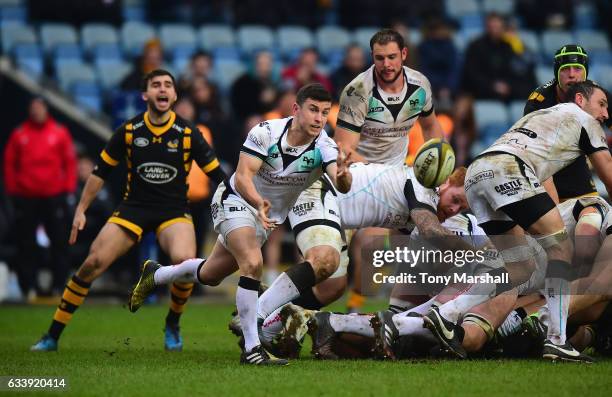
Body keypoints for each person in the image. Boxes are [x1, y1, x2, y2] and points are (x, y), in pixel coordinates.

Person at [128, 83, 353, 365]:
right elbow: (244, 176)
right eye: (313, 110)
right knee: (252, 262)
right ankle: (252, 349)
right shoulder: (266, 132)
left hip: (263, 215)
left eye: (324, 112)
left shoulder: (325, 145)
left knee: (210, 274)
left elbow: (342, 183)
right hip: (236, 201)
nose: (319, 118)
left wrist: (343, 174)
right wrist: (259, 203)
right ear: (296, 109)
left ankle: (156, 275)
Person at [30, 69, 226, 352]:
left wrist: (246, 200)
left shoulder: (187, 133)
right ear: (145, 95)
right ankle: (52, 335)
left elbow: (217, 174)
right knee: (92, 263)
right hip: (133, 208)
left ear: (173, 95)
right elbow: (100, 173)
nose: (162, 89)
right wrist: (81, 209)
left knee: (185, 263)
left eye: (167, 85)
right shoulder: (129, 130)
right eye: (156, 85)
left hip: (173, 210)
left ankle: (172, 322)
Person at [425, 81, 610, 363]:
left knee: (519, 267)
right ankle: (557, 340)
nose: (606, 113)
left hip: (477, 171)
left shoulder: (543, 115)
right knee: (560, 250)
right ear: (580, 100)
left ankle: (446, 314)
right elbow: (607, 172)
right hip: (508, 169)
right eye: (602, 104)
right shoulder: (585, 120)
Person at [332, 28, 444, 312]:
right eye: (380, 58)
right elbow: (344, 148)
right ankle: (290, 308)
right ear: (372, 58)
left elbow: (431, 127)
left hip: (395, 174)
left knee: (388, 244)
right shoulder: (358, 92)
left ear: (404, 55)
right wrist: (377, 174)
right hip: (356, 175)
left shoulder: (420, 86)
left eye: (392, 57)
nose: (386, 64)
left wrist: (441, 163)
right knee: (329, 262)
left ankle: (392, 310)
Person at [3, 97, 77, 298]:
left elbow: (70, 162)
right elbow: (9, 163)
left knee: (59, 243)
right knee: (26, 243)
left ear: (46, 109)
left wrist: (68, 190)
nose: (36, 111)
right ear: (29, 110)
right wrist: (13, 191)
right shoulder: (20, 134)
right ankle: (29, 287)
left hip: (54, 196)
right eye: (33, 108)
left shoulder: (59, 132)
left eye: (39, 108)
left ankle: (58, 286)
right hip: (27, 197)